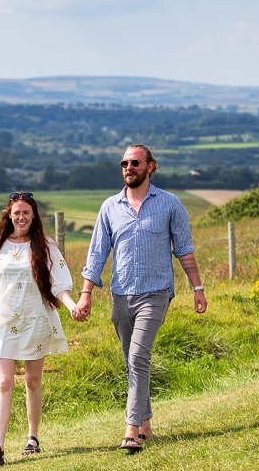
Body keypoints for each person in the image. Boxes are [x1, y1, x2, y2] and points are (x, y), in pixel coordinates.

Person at [76, 144, 207, 452]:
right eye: (124, 163)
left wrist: (197, 289)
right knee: (132, 360)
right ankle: (146, 423)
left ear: (150, 166)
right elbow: (97, 253)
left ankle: (131, 430)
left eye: (135, 162)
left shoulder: (170, 204)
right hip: (121, 296)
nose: (128, 167)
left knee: (138, 357)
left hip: (156, 292)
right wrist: (86, 294)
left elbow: (184, 249)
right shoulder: (110, 207)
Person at [0, 192, 79, 465]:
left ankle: (32, 437)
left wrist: (72, 305)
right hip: (3, 320)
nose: (21, 217)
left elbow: (58, 283)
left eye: (26, 212)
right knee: (4, 382)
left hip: (34, 319)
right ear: (9, 215)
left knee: (32, 380)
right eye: (16, 212)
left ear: (34, 216)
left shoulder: (45, 246)